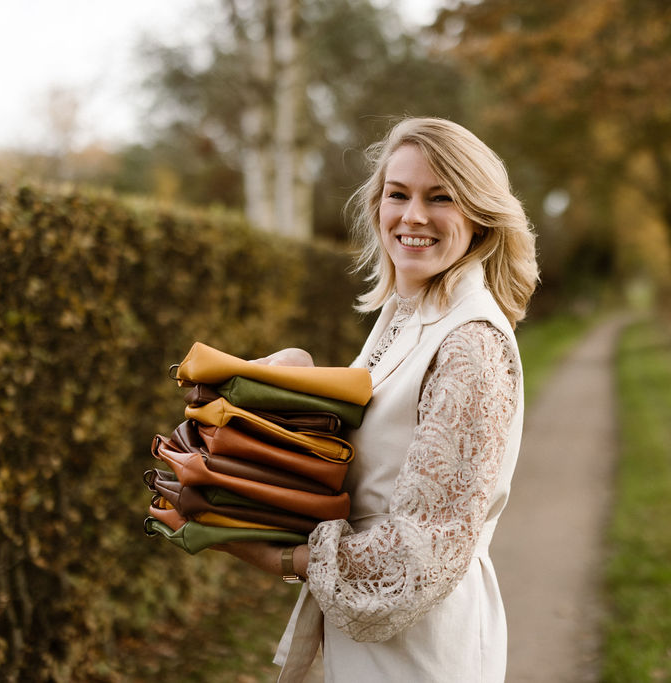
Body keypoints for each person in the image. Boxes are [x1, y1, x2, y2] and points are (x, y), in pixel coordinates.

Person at [218, 117, 539, 682]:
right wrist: (297, 385)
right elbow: (378, 457)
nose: (413, 216)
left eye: (440, 198)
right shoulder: (407, 312)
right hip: (369, 637)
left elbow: (421, 553)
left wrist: (285, 560)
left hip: (422, 647)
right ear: (378, 206)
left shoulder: (471, 344)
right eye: (399, 194)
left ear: (480, 220)